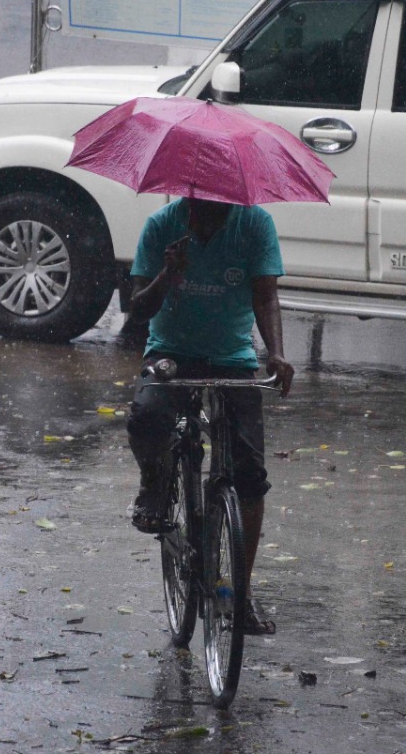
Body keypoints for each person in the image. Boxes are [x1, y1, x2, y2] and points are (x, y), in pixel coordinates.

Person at [126, 196, 294, 636]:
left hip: (232, 358)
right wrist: (168, 275)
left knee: (249, 474)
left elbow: (266, 295)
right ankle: (154, 483)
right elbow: (136, 308)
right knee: (146, 415)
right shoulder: (162, 224)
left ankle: (240, 592)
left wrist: (275, 352)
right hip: (171, 354)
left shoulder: (255, 225)